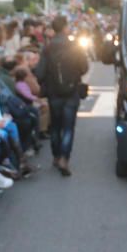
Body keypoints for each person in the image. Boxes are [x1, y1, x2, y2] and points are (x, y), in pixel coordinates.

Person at [36, 16, 88, 176]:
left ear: (53, 29)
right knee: (68, 127)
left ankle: (56, 155)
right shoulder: (75, 46)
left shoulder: (47, 48)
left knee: (56, 126)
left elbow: (39, 73)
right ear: (65, 27)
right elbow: (84, 67)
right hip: (72, 91)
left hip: (54, 92)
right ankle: (65, 158)